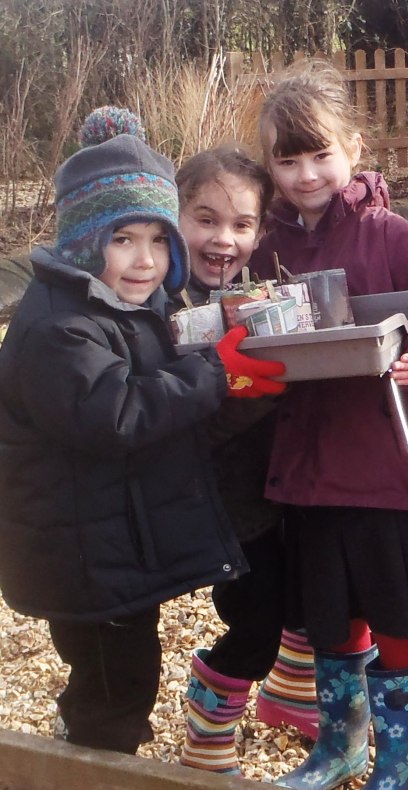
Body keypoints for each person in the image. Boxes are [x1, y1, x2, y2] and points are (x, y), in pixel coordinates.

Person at [0, 107, 286, 756]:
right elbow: (119, 413)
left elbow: (166, 391)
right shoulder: (58, 329)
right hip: (79, 556)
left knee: (127, 673)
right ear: (81, 239)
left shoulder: (113, 305)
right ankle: (87, 765)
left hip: (107, 542)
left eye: (158, 241)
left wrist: (239, 384)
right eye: (122, 239)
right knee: (114, 690)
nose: (145, 260)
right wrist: (218, 373)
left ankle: (99, 751)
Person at [250, 61, 408, 790]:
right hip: (309, 469)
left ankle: (405, 764)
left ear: (353, 148)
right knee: (330, 617)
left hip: (384, 466)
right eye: (287, 160)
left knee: (393, 614)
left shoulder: (387, 232)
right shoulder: (270, 246)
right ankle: (341, 746)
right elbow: (246, 327)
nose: (305, 174)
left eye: (319, 154)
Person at [172, 145, 318, 775]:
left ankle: (288, 694)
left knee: (310, 594)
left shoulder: (263, 293)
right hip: (224, 507)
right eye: (205, 219)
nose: (223, 239)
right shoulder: (165, 306)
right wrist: (250, 396)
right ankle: (206, 736)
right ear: (175, 216)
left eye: (241, 225)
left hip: (278, 490)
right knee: (254, 624)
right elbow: (182, 428)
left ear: (262, 230)